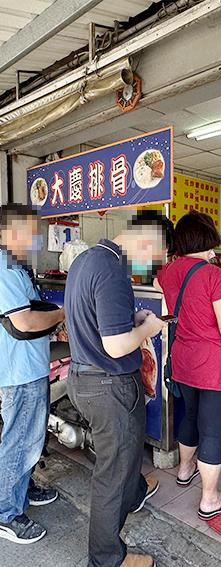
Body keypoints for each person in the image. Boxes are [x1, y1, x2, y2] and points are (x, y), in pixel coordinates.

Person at [64, 212, 170, 567]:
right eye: (157, 257)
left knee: (124, 459)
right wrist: (148, 328)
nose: (152, 266)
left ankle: (135, 491)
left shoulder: (86, 259)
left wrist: (132, 323)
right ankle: (107, 559)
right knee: (111, 473)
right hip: (108, 384)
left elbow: (96, 323)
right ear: (149, 240)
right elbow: (115, 346)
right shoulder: (112, 270)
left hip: (84, 376)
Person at [154, 212, 221, 520]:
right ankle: (210, 499)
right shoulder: (217, 277)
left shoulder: (165, 273)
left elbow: (168, 312)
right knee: (212, 431)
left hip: (184, 359)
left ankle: (184, 470)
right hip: (214, 364)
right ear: (206, 238)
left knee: (191, 416)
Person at [0, 204, 64, 545]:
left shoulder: (15, 267)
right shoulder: (2, 266)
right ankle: (6, 511)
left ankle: (21, 486)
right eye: (30, 231)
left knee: (28, 437)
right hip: (18, 370)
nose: (36, 238)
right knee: (19, 438)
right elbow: (23, 322)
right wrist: (62, 314)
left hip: (28, 367)